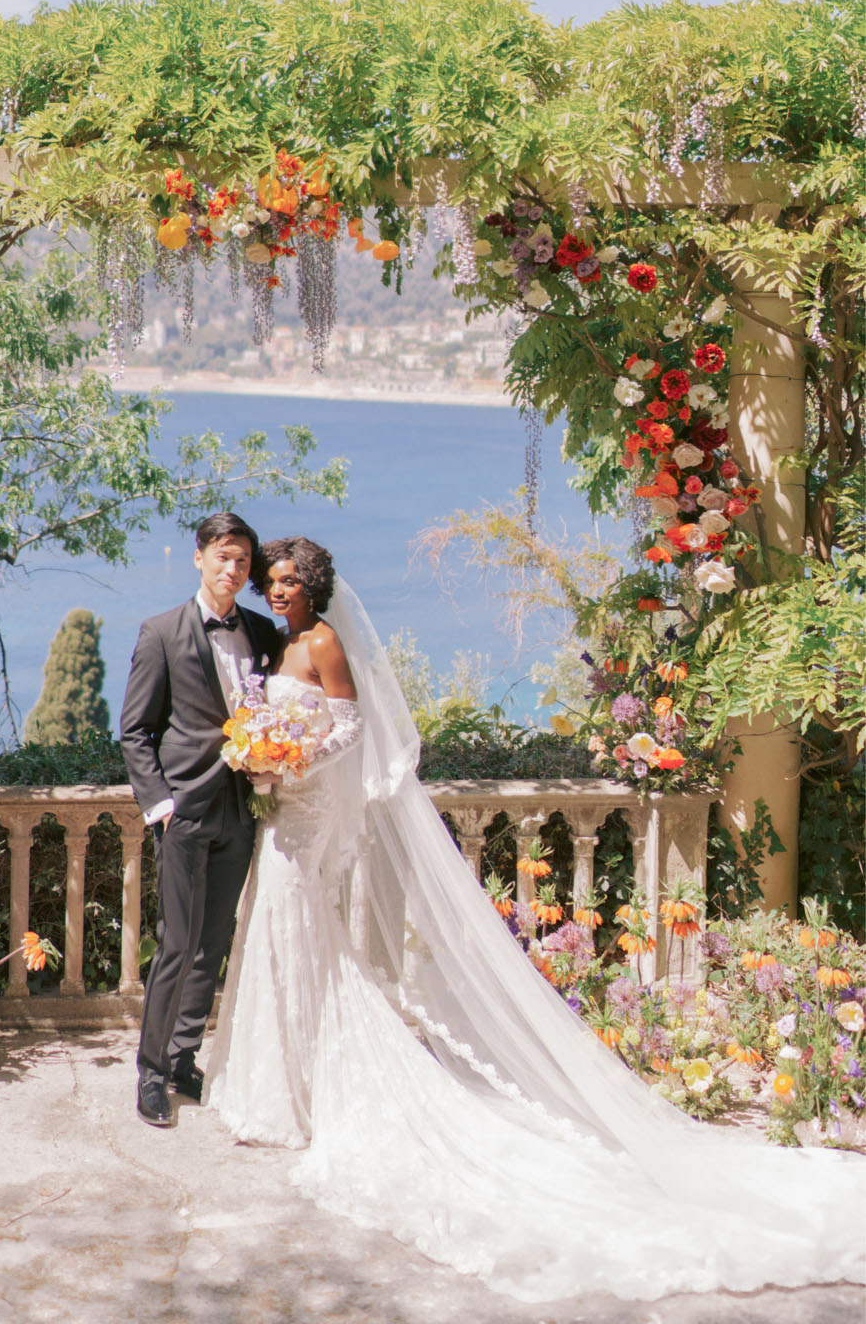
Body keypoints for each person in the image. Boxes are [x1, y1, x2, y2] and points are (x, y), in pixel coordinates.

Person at [206, 535, 866, 1302]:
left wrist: (293, 760)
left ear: (314, 586)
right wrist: (264, 754)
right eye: (273, 582)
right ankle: (280, 1079)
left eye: (289, 581)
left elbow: (350, 730)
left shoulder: (322, 641)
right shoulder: (281, 642)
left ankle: (304, 1085)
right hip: (282, 811)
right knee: (285, 935)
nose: (278, 590)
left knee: (298, 928)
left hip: (307, 809)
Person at [119, 510, 281, 1128]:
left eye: (242, 560)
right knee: (177, 945)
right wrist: (160, 805)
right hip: (182, 813)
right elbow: (136, 731)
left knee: (212, 946)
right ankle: (152, 1073)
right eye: (222, 557)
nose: (232, 569)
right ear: (199, 558)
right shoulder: (161, 632)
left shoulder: (262, 634)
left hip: (241, 812)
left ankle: (185, 1057)